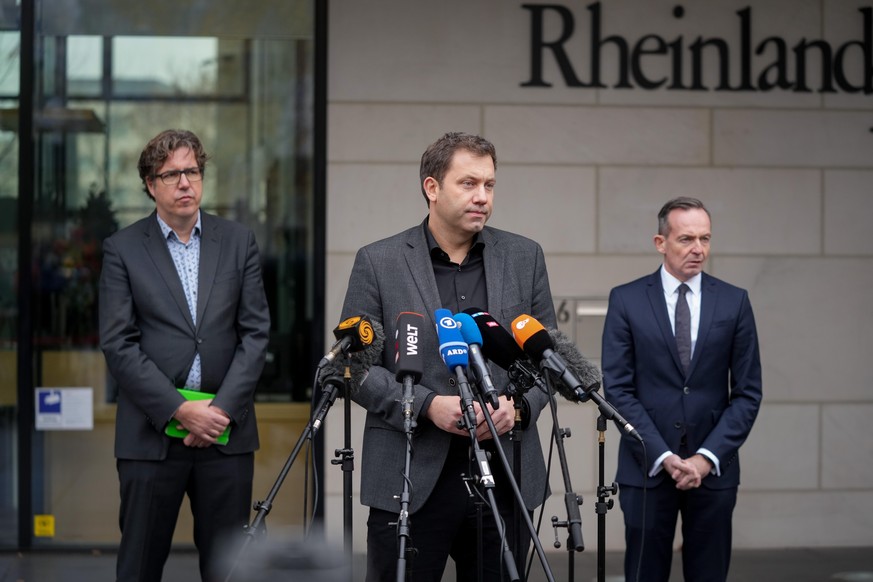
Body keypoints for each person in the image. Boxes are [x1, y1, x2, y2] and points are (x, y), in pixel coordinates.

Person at [338, 132, 556, 581]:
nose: (482, 197)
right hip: (410, 474)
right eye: (469, 183)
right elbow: (353, 368)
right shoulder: (379, 262)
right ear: (432, 187)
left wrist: (515, 410)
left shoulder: (524, 256)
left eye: (490, 185)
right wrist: (426, 406)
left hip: (505, 472)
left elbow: (549, 360)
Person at [99, 129, 270, 582]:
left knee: (229, 569)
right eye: (171, 174)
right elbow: (118, 342)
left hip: (225, 434)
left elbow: (256, 333)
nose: (185, 183)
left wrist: (219, 410)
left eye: (192, 171)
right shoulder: (122, 249)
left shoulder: (237, 242)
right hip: (151, 437)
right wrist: (180, 410)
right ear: (150, 184)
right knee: (139, 566)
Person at [601, 196, 763, 582]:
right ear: (661, 242)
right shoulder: (626, 300)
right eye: (687, 239)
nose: (698, 249)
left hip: (714, 469)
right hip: (647, 468)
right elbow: (618, 391)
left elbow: (747, 392)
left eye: (705, 239)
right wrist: (662, 456)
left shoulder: (734, 301)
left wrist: (706, 458)